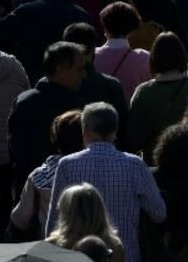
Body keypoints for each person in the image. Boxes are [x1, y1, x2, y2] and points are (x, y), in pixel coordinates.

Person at [40, 103, 166, 254]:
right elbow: (159, 214)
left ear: (85, 129)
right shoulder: (135, 165)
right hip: (126, 254)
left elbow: (54, 218)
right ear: (115, 130)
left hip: (79, 256)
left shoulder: (67, 165)